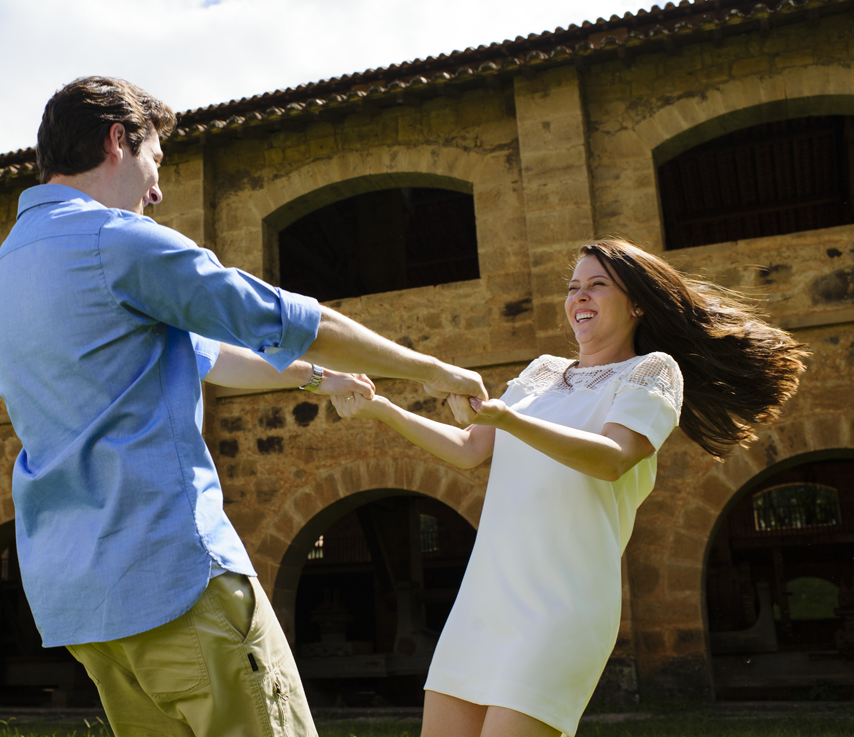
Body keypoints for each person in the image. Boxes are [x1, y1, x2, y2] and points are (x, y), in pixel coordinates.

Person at [0, 76, 489, 737]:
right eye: (155, 161)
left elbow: (200, 356)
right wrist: (432, 368)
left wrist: (313, 380)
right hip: (175, 580)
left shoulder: (8, 268)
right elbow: (280, 318)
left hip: (84, 606)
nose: (157, 189)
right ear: (118, 139)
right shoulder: (118, 241)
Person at [331, 239, 808, 737]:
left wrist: (510, 419)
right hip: (485, 600)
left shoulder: (652, 371)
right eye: (573, 287)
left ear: (637, 303)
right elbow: (469, 448)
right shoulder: (541, 372)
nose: (580, 296)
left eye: (597, 285)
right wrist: (379, 408)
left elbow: (612, 459)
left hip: (561, 608)